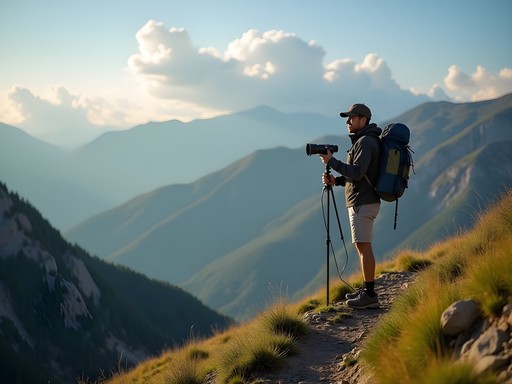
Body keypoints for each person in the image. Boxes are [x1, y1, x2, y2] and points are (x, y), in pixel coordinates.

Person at [318, 103, 382, 309]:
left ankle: (370, 295)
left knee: (364, 247)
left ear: (363, 120)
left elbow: (357, 173)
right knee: (361, 246)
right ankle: (367, 290)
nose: (347, 121)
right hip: (362, 199)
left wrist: (332, 161)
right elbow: (359, 177)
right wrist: (336, 181)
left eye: (352, 118)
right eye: (347, 118)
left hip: (363, 202)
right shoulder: (364, 141)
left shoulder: (365, 142)